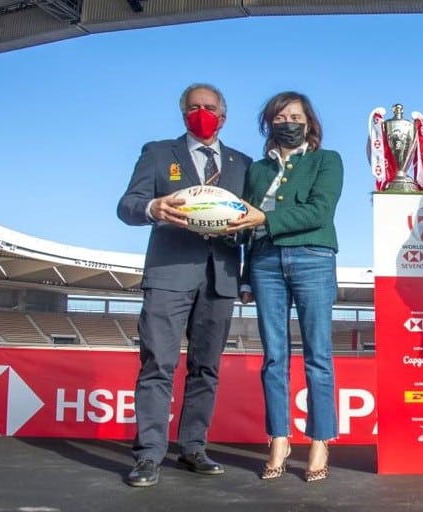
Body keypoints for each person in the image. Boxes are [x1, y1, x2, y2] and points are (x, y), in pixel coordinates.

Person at [117, 83, 252, 487]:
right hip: (169, 273)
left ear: (223, 116)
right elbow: (127, 206)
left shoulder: (243, 163)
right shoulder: (158, 153)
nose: (202, 113)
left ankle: (193, 447)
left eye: (209, 108)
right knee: (158, 363)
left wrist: (244, 273)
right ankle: (149, 455)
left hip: (221, 278)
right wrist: (151, 207)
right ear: (182, 114)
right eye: (193, 107)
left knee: (206, 368)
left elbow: (252, 221)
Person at [226, 91, 343, 482]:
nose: (288, 122)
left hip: (313, 257)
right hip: (264, 262)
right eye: (280, 117)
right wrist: (244, 275)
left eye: (295, 116)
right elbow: (244, 224)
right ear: (269, 124)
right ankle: (279, 436)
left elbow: (319, 211)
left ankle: (320, 440)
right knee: (274, 356)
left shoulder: (327, 161)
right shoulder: (257, 169)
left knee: (318, 355)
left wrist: (264, 218)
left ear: (309, 122)